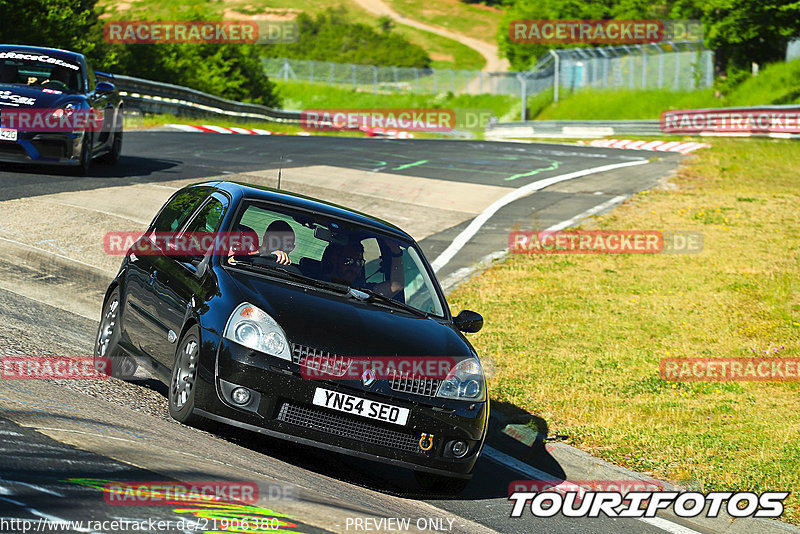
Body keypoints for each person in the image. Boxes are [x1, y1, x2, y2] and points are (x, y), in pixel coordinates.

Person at [322, 238, 405, 299]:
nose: (354, 266)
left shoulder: (363, 291)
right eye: (348, 261)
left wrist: (396, 252)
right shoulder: (317, 283)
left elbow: (396, 286)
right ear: (335, 261)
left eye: (359, 262)